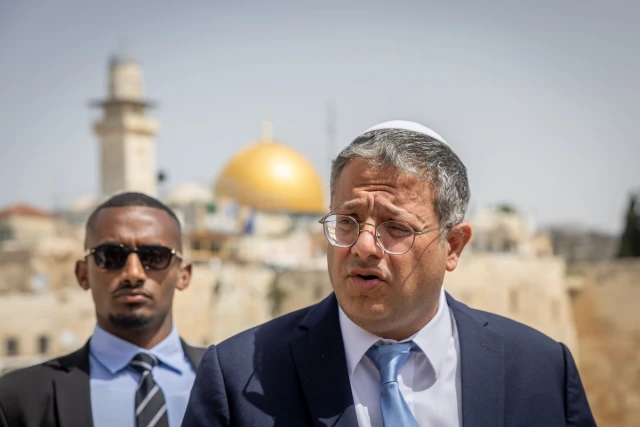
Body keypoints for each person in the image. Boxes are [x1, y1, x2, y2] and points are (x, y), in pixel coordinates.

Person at [182, 120, 597, 427]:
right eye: (347, 221)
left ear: (453, 246)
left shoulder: (540, 370)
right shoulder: (240, 378)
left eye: (396, 227)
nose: (362, 246)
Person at [0, 192, 205, 427]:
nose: (133, 274)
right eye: (110, 256)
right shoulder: (19, 399)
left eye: (154, 257)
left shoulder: (231, 382)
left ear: (184, 274)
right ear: (82, 274)